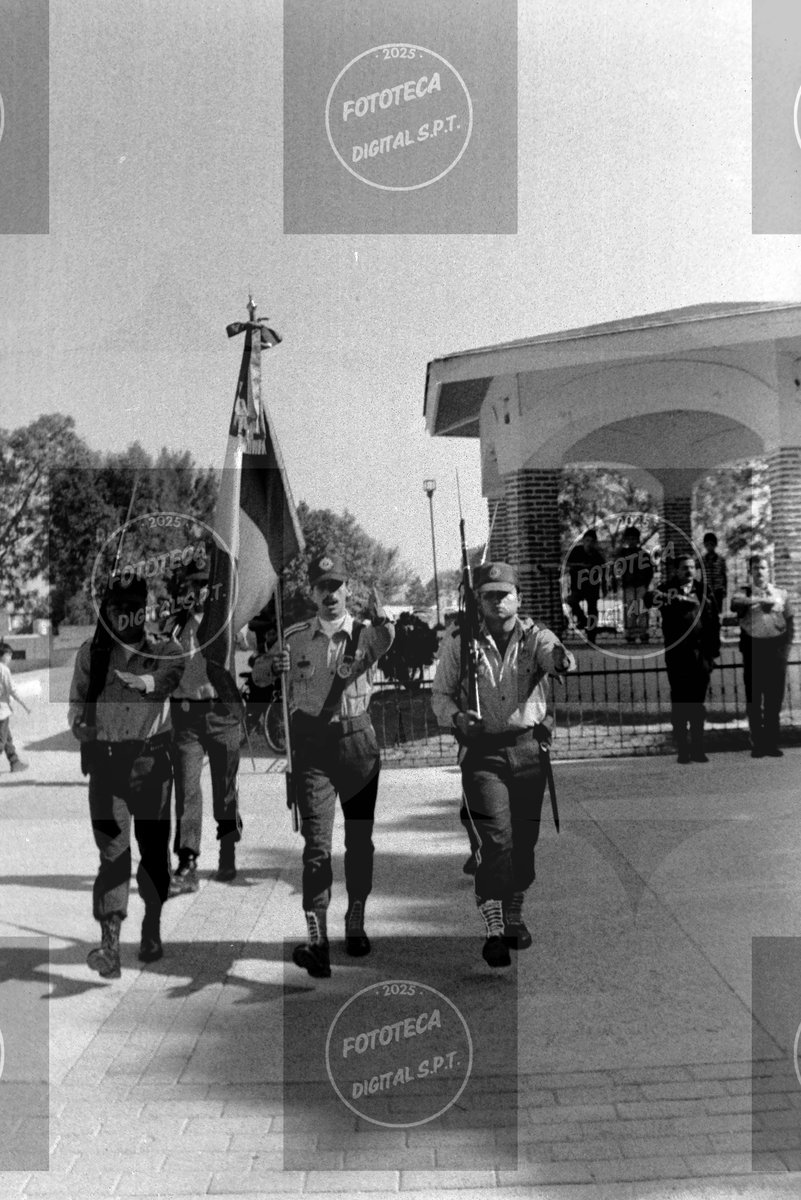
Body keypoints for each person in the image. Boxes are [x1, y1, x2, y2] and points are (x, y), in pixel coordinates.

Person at [254, 552, 395, 979]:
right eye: (322, 587)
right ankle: (317, 937)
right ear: (311, 592)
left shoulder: (366, 635)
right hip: (312, 748)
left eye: (336, 586)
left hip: (357, 743)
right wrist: (268, 666)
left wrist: (381, 610)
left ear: (347, 589)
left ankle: (355, 918)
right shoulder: (296, 636)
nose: (330, 595)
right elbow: (261, 674)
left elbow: (390, 637)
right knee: (316, 845)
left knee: (359, 841)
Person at [431, 562, 575, 969]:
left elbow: (554, 656)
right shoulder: (460, 641)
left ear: (518, 598)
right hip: (483, 755)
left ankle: (515, 914)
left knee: (524, 845)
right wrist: (457, 718)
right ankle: (495, 928)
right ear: (478, 600)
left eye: (504, 593)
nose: (497, 601)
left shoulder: (534, 636)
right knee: (497, 842)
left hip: (529, 752)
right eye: (488, 595)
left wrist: (562, 660)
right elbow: (440, 696)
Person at [68, 575, 184, 978]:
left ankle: (151, 925)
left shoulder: (165, 650)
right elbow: (76, 709)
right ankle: (110, 947)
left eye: (133, 606)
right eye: (116, 606)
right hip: (107, 768)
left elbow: (171, 678)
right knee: (112, 855)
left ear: (144, 609)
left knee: (153, 854)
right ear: (107, 609)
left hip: (151, 767)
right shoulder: (92, 654)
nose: (123, 614)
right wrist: (81, 724)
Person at [165, 566, 243, 894]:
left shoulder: (227, 620)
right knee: (187, 789)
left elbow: (250, 641)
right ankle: (188, 863)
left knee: (225, 789)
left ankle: (228, 849)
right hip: (186, 719)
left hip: (222, 714)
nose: (196, 592)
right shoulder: (172, 627)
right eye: (190, 586)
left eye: (202, 585)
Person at [647, 555, 720, 764]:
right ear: (676, 571)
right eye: (684, 568)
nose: (689, 571)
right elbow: (648, 598)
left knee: (698, 704)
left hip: (701, 656)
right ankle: (683, 749)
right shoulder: (667, 589)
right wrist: (675, 599)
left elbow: (714, 622)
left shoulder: (704, 591)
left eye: (692, 568)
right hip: (678, 655)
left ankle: (698, 748)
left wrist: (712, 655)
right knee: (680, 702)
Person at [731, 555, 795, 758]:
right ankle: (757, 744)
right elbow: (734, 604)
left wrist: (785, 649)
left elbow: (790, 622)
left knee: (774, 699)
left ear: (769, 570)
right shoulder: (744, 593)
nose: (759, 571)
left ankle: (771, 743)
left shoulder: (781, 593)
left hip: (776, 649)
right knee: (754, 699)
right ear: (750, 571)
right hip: (754, 648)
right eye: (755, 568)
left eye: (763, 567)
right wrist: (760, 600)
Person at [565, 529, 606, 643]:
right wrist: (580, 565)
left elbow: (603, 568)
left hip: (592, 586)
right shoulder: (576, 551)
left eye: (592, 541)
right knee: (572, 600)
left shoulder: (596, 554)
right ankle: (583, 620)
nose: (589, 543)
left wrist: (604, 586)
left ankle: (591, 635)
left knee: (592, 609)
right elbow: (567, 563)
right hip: (577, 584)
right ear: (583, 540)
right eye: (587, 540)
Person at [617, 526, 654, 644]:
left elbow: (649, 571)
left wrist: (646, 584)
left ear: (638, 540)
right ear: (626, 540)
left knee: (642, 609)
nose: (631, 541)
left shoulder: (644, 554)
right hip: (628, 585)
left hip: (641, 585)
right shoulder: (623, 554)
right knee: (630, 609)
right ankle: (630, 633)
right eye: (629, 538)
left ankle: (643, 633)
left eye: (634, 538)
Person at [0, 641, 30, 772]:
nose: (10, 658)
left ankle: (15, 762)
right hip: (2, 711)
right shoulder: (4, 669)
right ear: (3, 655)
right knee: (1, 741)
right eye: (9, 655)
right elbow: (12, 690)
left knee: (7, 738)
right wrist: (25, 705)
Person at [701, 532, 728, 615]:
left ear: (715, 545)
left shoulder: (721, 559)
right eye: (707, 544)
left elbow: (724, 575)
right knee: (707, 611)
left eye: (711, 544)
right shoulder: (702, 560)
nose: (709, 547)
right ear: (705, 545)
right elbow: (701, 576)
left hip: (718, 590)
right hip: (706, 590)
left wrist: (725, 589)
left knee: (717, 612)